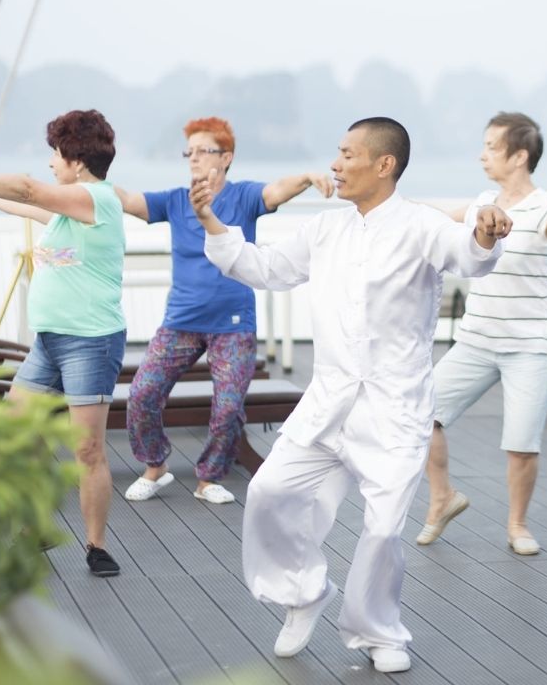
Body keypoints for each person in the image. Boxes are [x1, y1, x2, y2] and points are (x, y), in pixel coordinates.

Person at [192, 117, 511, 674]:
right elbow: (264, 268)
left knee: (384, 528)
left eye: (346, 154)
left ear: (383, 164)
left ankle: (378, 631)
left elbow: (470, 253)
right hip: (328, 401)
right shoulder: (324, 230)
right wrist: (212, 221)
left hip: (394, 408)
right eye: (336, 154)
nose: (335, 165)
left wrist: (486, 230)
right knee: (268, 492)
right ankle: (303, 593)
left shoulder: (421, 225)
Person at [416, 112, 547, 555]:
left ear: (520, 156)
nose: (482, 154)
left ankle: (517, 526)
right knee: (420, 414)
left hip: (532, 347)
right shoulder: (482, 203)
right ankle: (442, 499)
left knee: (521, 444)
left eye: (491, 147)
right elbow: (435, 218)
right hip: (476, 341)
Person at [0, 109, 127, 577]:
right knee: (16, 433)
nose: (50, 164)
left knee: (87, 450)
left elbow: (26, 188)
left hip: (90, 342)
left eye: (55, 155)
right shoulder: (70, 213)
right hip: (49, 343)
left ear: (76, 161)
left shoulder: (97, 199)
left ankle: (96, 546)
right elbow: (28, 206)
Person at [116, 117, 335, 505]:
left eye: (203, 151)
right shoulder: (175, 200)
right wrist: (90, 185)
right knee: (143, 393)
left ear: (226, 157)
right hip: (180, 322)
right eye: (190, 152)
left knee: (229, 405)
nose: (194, 159)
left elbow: (276, 191)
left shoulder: (244, 197)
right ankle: (155, 466)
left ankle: (209, 478)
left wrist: (306, 177)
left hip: (233, 325)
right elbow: (130, 201)